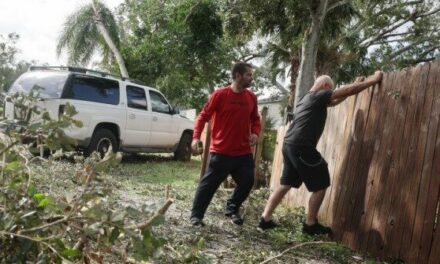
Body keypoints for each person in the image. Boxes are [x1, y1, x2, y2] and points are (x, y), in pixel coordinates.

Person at [259, 71, 383, 235]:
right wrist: (373, 80)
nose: (329, 93)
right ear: (325, 87)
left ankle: (265, 219)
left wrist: (353, 83)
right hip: (302, 146)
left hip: (289, 145)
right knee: (321, 183)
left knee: (286, 184)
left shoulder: (306, 98)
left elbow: (334, 101)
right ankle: (310, 224)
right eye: (329, 90)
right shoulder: (319, 95)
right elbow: (346, 91)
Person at [190, 62, 261, 226]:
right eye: (249, 75)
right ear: (237, 75)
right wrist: (195, 137)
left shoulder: (251, 97)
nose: (251, 78)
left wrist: (255, 133)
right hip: (221, 151)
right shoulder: (220, 95)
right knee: (208, 186)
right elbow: (203, 116)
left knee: (248, 181)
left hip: (243, 152)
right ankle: (196, 216)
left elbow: (255, 119)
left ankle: (232, 208)